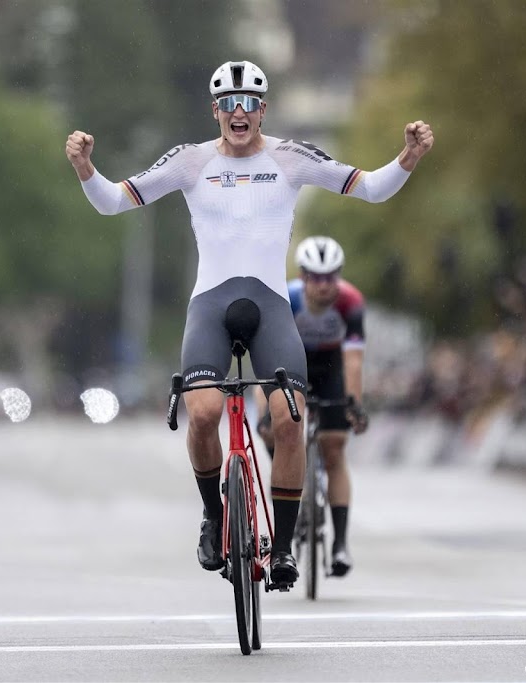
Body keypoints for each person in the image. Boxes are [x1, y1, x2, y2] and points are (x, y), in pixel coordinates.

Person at [65, 60, 433, 588]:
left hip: (269, 307)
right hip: (210, 305)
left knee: (288, 420)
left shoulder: (290, 158)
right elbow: (113, 202)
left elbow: (370, 188)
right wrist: (85, 168)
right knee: (204, 413)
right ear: (215, 111)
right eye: (229, 104)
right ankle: (214, 519)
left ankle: (282, 548)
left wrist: (408, 157)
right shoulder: (189, 163)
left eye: (250, 104)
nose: (239, 113)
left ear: (263, 109)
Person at [253, 235, 369, 577]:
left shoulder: (351, 302)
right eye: (316, 277)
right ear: (303, 277)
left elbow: (354, 362)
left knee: (334, 448)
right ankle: (288, 478)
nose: (324, 285)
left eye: (331, 276)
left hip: (332, 366)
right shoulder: (287, 300)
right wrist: (264, 412)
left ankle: (340, 543)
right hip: (292, 363)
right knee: (277, 430)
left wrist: (354, 404)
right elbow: (267, 365)